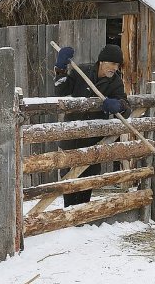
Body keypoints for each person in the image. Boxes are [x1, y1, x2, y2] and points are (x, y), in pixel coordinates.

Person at [54, 44, 130, 207]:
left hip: (94, 141)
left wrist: (118, 105)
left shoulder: (115, 82)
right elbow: (60, 90)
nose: (115, 69)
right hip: (71, 137)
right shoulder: (81, 72)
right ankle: (69, 217)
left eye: (117, 65)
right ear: (102, 61)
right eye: (113, 64)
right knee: (69, 181)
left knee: (87, 182)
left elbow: (126, 106)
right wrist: (60, 68)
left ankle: (82, 219)